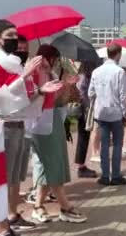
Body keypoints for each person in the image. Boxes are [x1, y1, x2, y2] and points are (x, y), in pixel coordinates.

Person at [0, 20, 62, 236]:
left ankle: (3, 229)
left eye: (16, 35)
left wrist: (42, 91)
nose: (15, 40)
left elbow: (22, 96)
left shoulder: (12, 63)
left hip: (15, 125)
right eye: (9, 35)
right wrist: (24, 75)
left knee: (9, 181)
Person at [29, 45, 87, 223]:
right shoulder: (34, 74)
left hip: (53, 121)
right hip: (41, 124)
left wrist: (68, 87)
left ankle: (39, 205)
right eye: (54, 58)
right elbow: (42, 100)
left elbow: (59, 102)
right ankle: (65, 206)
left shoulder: (51, 75)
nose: (54, 62)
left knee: (51, 164)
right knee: (52, 163)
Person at [88, 44, 126, 186]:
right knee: (118, 145)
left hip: (101, 112)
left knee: (104, 144)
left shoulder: (96, 71)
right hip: (116, 113)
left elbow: (90, 93)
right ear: (118, 54)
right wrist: (125, 114)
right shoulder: (119, 72)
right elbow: (123, 95)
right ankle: (116, 175)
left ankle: (105, 175)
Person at [74, 61, 100, 178]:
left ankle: (81, 165)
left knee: (84, 136)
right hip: (83, 110)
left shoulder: (84, 76)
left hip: (84, 109)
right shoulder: (84, 77)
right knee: (83, 137)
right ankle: (81, 166)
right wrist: (88, 106)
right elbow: (82, 94)